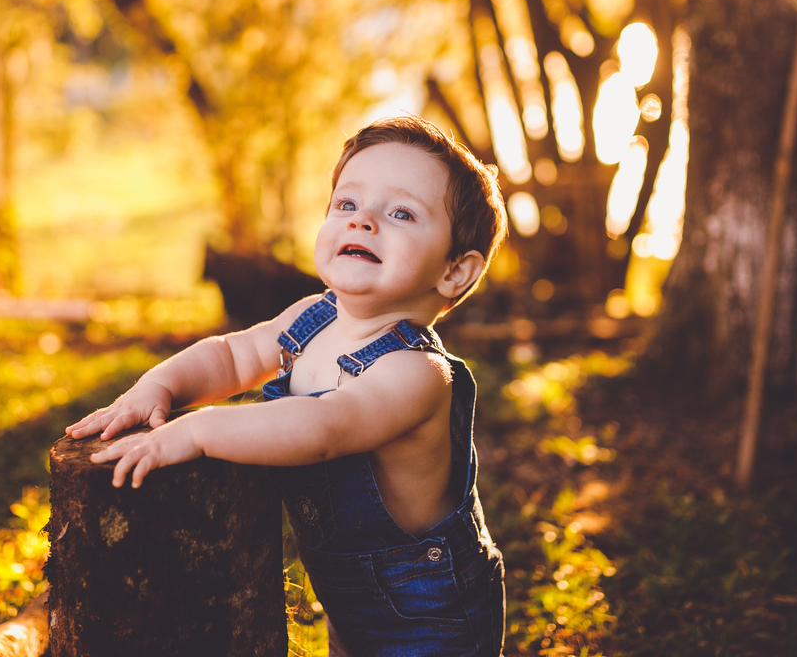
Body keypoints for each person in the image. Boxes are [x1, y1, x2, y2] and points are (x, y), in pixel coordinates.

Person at [66, 115, 508, 656]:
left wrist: (199, 431)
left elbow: (324, 427)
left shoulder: (417, 374)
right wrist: (159, 386)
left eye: (401, 213)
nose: (362, 221)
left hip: (431, 615)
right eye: (347, 204)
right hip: (349, 598)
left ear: (454, 273)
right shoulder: (312, 317)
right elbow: (233, 354)